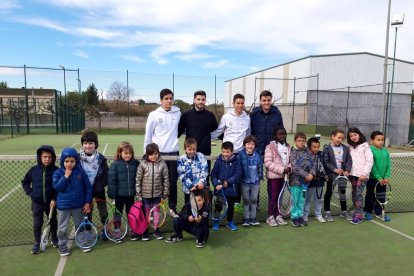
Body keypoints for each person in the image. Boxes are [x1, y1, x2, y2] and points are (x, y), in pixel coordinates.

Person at [144, 88, 180, 215]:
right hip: (158, 155)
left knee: (172, 183)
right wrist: (146, 153)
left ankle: (172, 207)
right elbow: (148, 135)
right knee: (156, 183)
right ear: (161, 100)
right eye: (166, 98)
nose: (169, 101)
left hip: (174, 154)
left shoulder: (178, 113)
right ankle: (155, 209)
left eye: (171, 98)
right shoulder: (154, 115)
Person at [53, 148, 92, 256]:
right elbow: (58, 187)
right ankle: (62, 246)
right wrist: (66, 176)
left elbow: (88, 188)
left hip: (78, 206)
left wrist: (87, 202)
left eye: (72, 161)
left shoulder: (80, 172)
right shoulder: (58, 173)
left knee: (80, 226)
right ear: (62, 162)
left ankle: (83, 243)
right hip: (63, 207)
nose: (69, 164)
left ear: (76, 161)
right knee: (62, 228)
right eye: (66, 161)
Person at [22, 145, 59, 254]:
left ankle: (54, 238)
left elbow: (59, 187)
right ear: (40, 157)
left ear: (53, 158)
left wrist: (54, 199)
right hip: (37, 203)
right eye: (44, 157)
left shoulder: (56, 171)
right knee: (37, 224)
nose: (47, 159)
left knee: (52, 221)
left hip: (51, 203)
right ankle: (37, 242)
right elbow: (25, 182)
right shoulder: (33, 170)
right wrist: (31, 193)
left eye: (49, 157)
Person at [178, 90, 218, 179]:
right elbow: (178, 132)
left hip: (205, 154)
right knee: (190, 179)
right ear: (194, 100)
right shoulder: (186, 115)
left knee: (204, 181)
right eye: (198, 99)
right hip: (190, 153)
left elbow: (216, 130)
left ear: (205, 101)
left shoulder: (210, 115)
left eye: (203, 100)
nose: (201, 102)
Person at [136, 143, 170, 241]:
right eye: (151, 154)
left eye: (155, 154)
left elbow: (166, 179)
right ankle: (145, 230)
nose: (153, 156)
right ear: (147, 154)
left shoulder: (162, 163)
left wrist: (165, 193)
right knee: (146, 214)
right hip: (145, 195)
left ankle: (156, 229)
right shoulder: (142, 164)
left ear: (158, 153)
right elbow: (138, 180)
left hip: (157, 194)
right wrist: (139, 194)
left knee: (156, 213)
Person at [79, 131, 109, 240]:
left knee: (103, 212)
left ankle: (105, 230)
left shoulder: (100, 158)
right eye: (85, 143)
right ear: (82, 144)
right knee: (87, 213)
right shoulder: (78, 159)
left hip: (98, 190)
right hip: (85, 192)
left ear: (95, 144)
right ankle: (88, 232)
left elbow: (106, 173)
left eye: (91, 143)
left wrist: (101, 185)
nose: (88, 146)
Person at [107, 141, 140, 241]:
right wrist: (112, 195)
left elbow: (139, 177)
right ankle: (117, 232)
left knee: (131, 214)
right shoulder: (115, 165)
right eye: (125, 153)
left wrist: (138, 192)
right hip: (119, 196)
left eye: (130, 153)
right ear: (120, 153)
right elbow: (112, 181)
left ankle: (133, 230)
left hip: (131, 195)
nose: (128, 155)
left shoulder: (135, 163)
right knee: (118, 215)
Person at [323, 128, 353, 222]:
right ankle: (327, 212)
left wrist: (347, 170)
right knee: (329, 193)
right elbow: (326, 162)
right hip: (332, 176)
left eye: (342, 138)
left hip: (343, 176)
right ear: (332, 137)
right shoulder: (327, 148)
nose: (340, 140)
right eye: (338, 137)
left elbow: (349, 160)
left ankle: (344, 211)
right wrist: (335, 169)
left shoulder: (345, 148)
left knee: (342, 192)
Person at [211, 141, 242, 231]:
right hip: (220, 190)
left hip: (231, 189)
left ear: (232, 152)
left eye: (227, 152)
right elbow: (213, 174)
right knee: (218, 206)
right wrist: (216, 184)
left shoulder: (236, 161)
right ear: (221, 151)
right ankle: (216, 221)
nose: (225, 154)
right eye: (223, 151)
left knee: (230, 207)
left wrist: (228, 182)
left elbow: (238, 174)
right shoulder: (219, 161)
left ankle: (230, 222)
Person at [264, 127, 291, 227]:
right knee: (273, 196)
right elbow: (267, 162)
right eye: (280, 134)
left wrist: (288, 168)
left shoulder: (288, 147)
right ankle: (270, 216)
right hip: (273, 178)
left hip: (284, 178)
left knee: (280, 197)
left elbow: (290, 162)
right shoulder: (270, 147)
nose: (282, 136)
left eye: (284, 134)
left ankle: (278, 215)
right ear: (275, 135)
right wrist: (282, 169)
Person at [347, 127, 373, 225]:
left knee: (358, 194)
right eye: (351, 136)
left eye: (355, 134)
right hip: (352, 175)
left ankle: (359, 215)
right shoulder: (350, 147)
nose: (354, 137)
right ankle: (356, 211)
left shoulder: (365, 146)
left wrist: (364, 173)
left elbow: (369, 161)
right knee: (354, 194)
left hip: (362, 176)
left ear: (359, 134)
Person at [290, 132, 316, 227]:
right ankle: (294, 218)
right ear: (295, 141)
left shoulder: (308, 151)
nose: (301, 142)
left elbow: (314, 164)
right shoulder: (292, 152)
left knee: (302, 200)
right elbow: (295, 167)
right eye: (299, 140)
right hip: (295, 182)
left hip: (305, 183)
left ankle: (300, 217)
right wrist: (306, 175)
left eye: (303, 141)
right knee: (295, 200)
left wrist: (312, 174)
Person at [364, 131, 391, 221]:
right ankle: (367, 211)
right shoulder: (370, 150)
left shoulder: (385, 151)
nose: (381, 142)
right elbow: (373, 166)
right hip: (372, 179)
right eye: (378, 140)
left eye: (382, 140)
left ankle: (379, 212)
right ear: (372, 141)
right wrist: (378, 178)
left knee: (381, 196)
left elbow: (388, 165)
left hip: (383, 180)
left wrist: (386, 177)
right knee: (370, 196)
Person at [238, 135, 263, 226]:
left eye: (252, 144)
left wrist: (260, 176)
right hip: (244, 182)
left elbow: (260, 166)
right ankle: (246, 218)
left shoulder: (257, 154)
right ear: (244, 145)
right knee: (246, 200)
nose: (250, 146)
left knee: (253, 200)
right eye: (248, 144)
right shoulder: (240, 154)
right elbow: (238, 168)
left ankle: (253, 218)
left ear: (255, 145)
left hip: (255, 182)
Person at [250, 90, 284, 156]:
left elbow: (281, 131)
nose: (266, 102)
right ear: (260, 101)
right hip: (257, 149)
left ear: (271, 100)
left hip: (272, 149)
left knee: (271, 166)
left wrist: (283, 145)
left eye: (268, 100)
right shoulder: (254, 114)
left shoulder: (277, 113)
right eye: (264, 100)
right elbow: (250, 131)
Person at [303, 137, 328, 223]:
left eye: (318, 147)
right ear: (309, 147)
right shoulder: (306, 156)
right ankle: (305, 215)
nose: (316, 149)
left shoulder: (321, 155)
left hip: (320, 181)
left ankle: (318, 215)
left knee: (319, 199)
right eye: (314, 147)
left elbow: (324, 166)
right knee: (307, 199)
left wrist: (325, 175)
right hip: (310, 182)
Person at [177, 138, 209, 204]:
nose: (192, 151)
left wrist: (201, 182)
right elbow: (181, 174)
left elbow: (204, 170)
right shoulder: (181, 159)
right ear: (185, 149)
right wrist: (190, 186)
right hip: (189, 189)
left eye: (194, 149)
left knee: (200, 205)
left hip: (200, 187)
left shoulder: (200, 156)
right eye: (189, 149)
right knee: (189, 206)